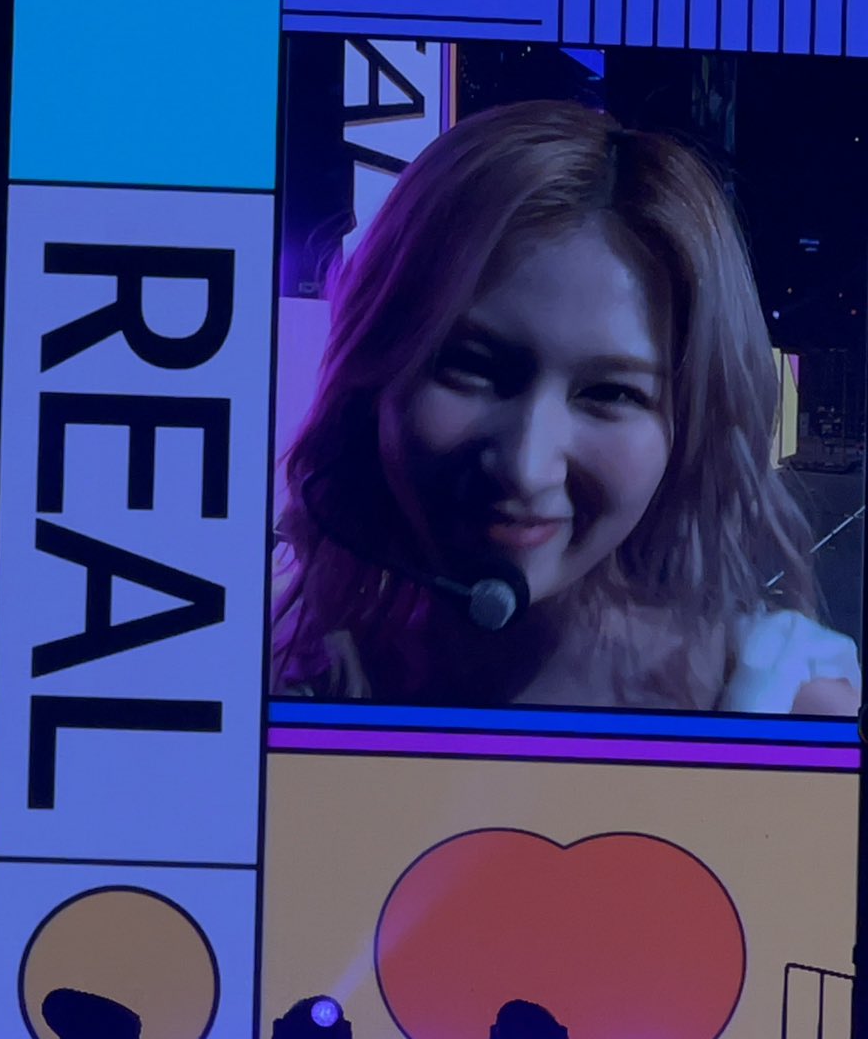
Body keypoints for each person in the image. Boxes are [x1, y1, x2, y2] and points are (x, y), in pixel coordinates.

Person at [271, 99, 861, 717]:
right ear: (375, 372)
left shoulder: (790, 715)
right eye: (471, 367)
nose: (526, 469)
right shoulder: (251, 681)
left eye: (611, 393)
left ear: (689, 423)